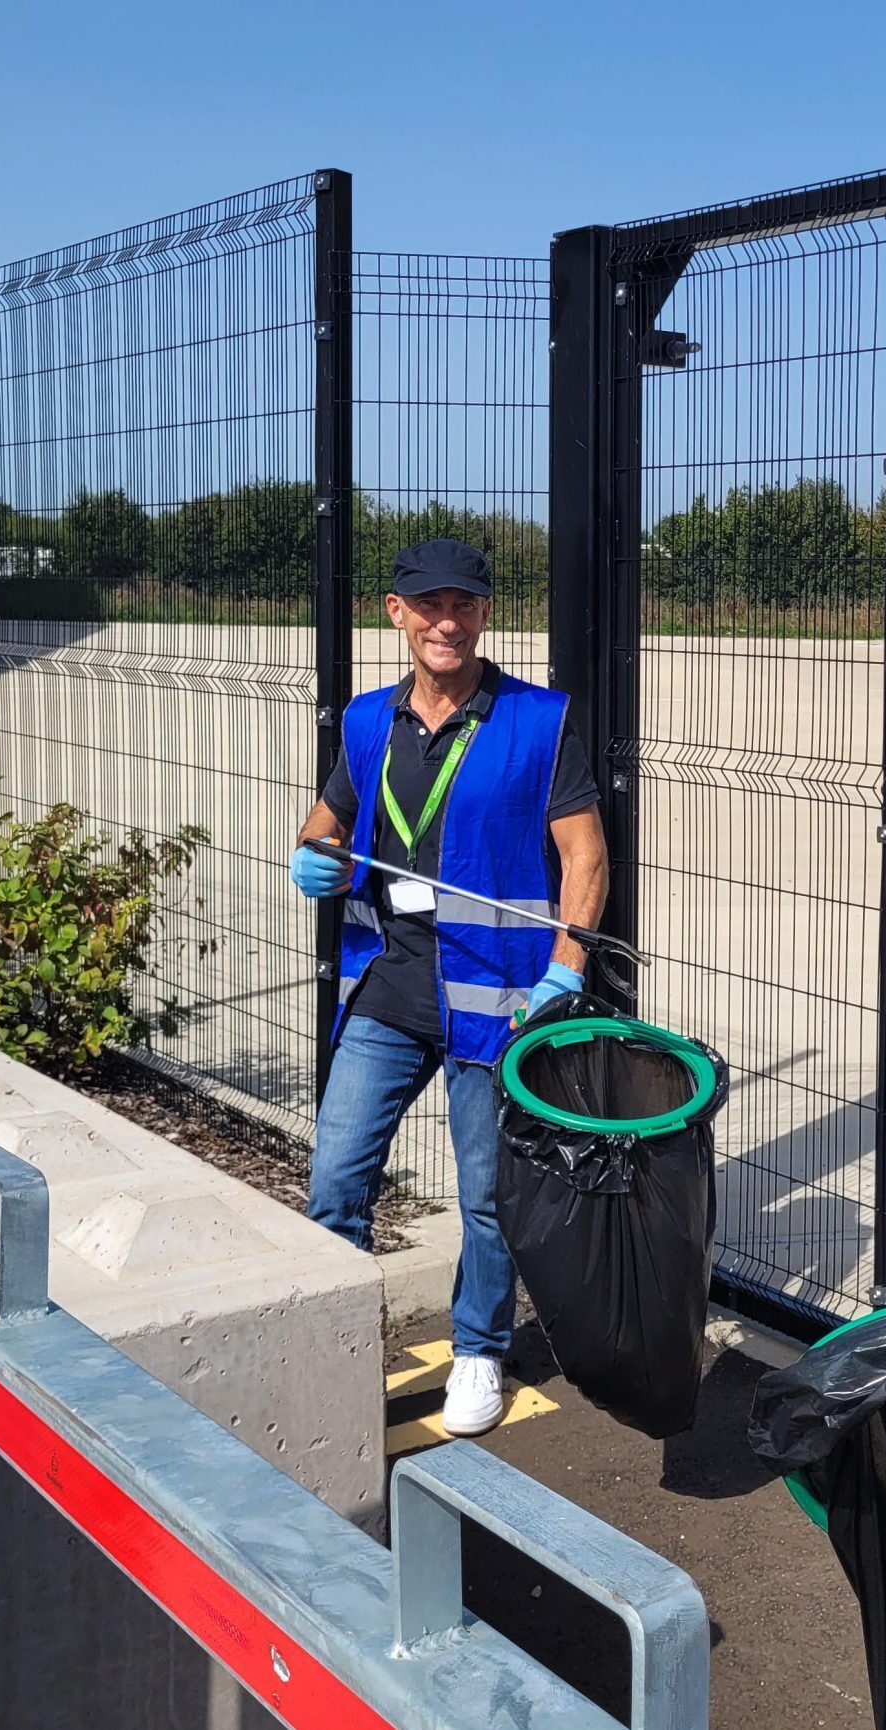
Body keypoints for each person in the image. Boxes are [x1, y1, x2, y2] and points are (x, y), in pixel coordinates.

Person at [290, 538, 608, 1438]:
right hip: (387, 989)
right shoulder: (365, 722)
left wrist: (564, 969)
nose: (446, 622)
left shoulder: (538, 722)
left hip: (497, 997)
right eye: (427, 605)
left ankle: (479, 1349)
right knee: (336, 1179)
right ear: (395, 614)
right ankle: (338, 1345)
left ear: (484, 614)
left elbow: (585, 854)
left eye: (463, 605)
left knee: (486, 1194)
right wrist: (311, 858)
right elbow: (329, 823)